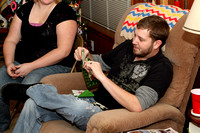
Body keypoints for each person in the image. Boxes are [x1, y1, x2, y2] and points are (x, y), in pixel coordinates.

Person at [11, 15, 173, 132]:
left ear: (157, 44)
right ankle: (36, 93)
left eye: (141, 39)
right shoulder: (128, 47)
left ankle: (32, 90)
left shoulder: (161, 68)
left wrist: (102, 77)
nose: (134, 41)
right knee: (33, 104)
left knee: (76, 105)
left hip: (106, 114)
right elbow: (101, 62)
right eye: (135, 35)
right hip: (91, 100)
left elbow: (137, 105)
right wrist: (85, 54)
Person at [0, 0, 77, 131]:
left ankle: (27, 128)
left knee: (30, 87)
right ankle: (2, 126)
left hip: (55, 65)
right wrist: (9, 63)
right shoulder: (25, 9)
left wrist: (31, 66)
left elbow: (63, 51)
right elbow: (11, 40)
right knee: (0, 81)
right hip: (21, 63)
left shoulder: (65, 12)